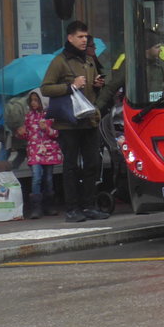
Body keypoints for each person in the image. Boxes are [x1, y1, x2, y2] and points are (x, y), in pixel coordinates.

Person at [40, 20, 109, 222]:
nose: (84, 40)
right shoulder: (60, 61)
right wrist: (71, 85)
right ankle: (72, 209)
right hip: (69, 122)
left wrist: (97, 84)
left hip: (89, 120)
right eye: (80, 36)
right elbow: (46, 88)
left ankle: (89, 205)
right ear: (70, 38)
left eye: (86, 37)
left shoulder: (88, 59)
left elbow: (91, 89)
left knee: (92, 164)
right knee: (71, 166)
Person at [16, 91, 61, 219]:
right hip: (34, 151)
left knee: (48, 178)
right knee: (36, 177)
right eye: (31, 100)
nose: (33, 103)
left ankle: (49, 205)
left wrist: (46, 128)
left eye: (36, 100)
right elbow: (26, 135)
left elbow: (56, 134)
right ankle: (36, 207)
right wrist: (20, 132)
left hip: (49, 151)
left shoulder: (50, 116)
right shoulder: (28, 117)